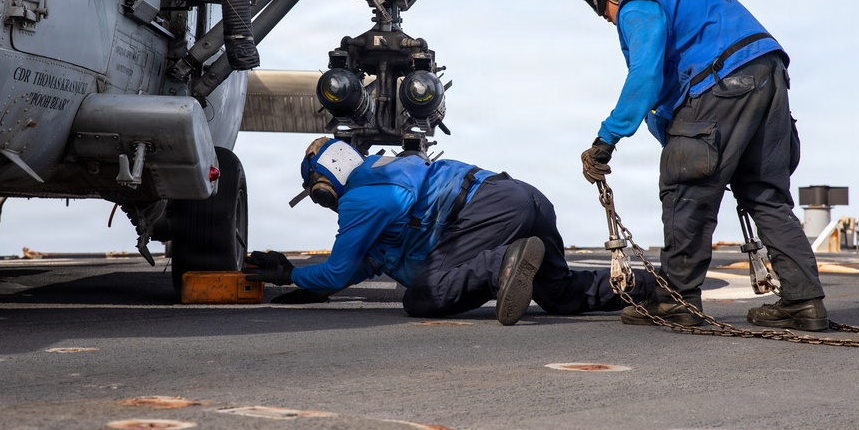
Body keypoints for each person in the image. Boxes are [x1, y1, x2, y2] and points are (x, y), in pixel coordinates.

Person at [577, 0, 826, 331]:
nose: (608, 19)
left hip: (721, 83)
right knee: (766, 195)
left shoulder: (638, 2)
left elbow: (646, 76)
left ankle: (678, 299)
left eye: (600, 8)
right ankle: (804, 301)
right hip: (770, 75)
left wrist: (606, 139)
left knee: (685, 187)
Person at [245, 137, 655, 325]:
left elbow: (338, 268)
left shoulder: (359, 198)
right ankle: (650, 286)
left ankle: (501, 266)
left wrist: (289, 272)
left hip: (489, 212)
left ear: (323, 186)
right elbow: (358, 266)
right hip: (525, 198)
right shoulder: (388, 169)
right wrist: (315, 288)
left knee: (423, 295)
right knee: (559, 294)